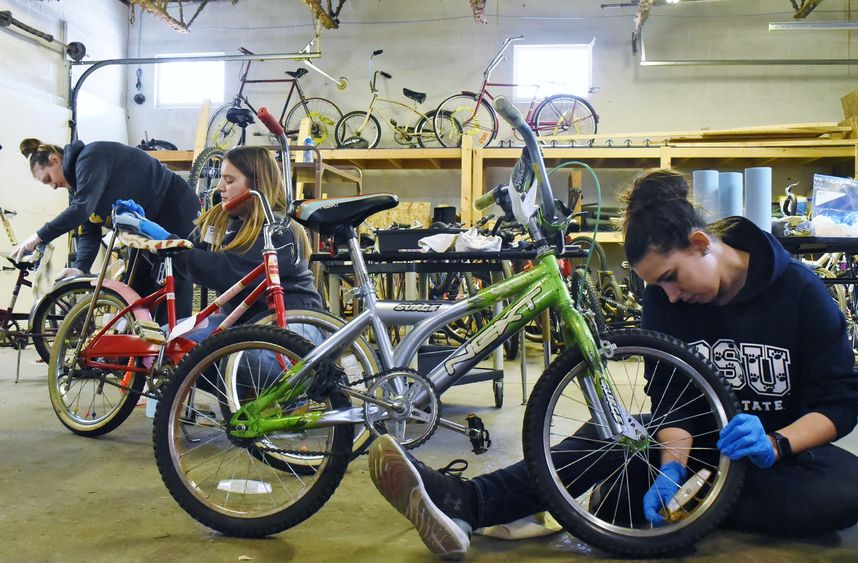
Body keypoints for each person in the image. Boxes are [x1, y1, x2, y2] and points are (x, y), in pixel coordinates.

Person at [367, 167, 858, 559]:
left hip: (777, 458)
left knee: (844, 494)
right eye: (656, 285)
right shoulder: (666, 300)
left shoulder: (799, 292)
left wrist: (777, 442)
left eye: (670, 276)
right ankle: (464, 504)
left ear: (701, 244)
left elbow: (840, 403)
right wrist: (670, 471)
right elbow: (671, 406)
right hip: (698, 453)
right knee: (610, 436)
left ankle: (686, 507)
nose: (668, 295)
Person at [120, 145, 323, 339]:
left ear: (257, 184)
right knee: (168, 340)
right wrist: (148, 236)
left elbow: (226, 272)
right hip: (245, 323)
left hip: (294, 323)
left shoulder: (278, 229)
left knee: (239, 360)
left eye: (229, 180)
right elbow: (184, 256)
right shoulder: (224, 221)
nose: (220, 188)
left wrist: (167, 240)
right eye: (221, 179)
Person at [17, 138, 200, 318]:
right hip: (145, 223)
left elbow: (81, 210)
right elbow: (89, 230)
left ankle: (175, 342)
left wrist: (39, 236)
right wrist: (80, 268)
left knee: (174, 272)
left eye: (48, 179)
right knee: (137, 286)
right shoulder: (77, 188)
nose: (53, 186)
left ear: (54, 159)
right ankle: (150, 341)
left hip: (174, 204)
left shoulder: (90, 157)